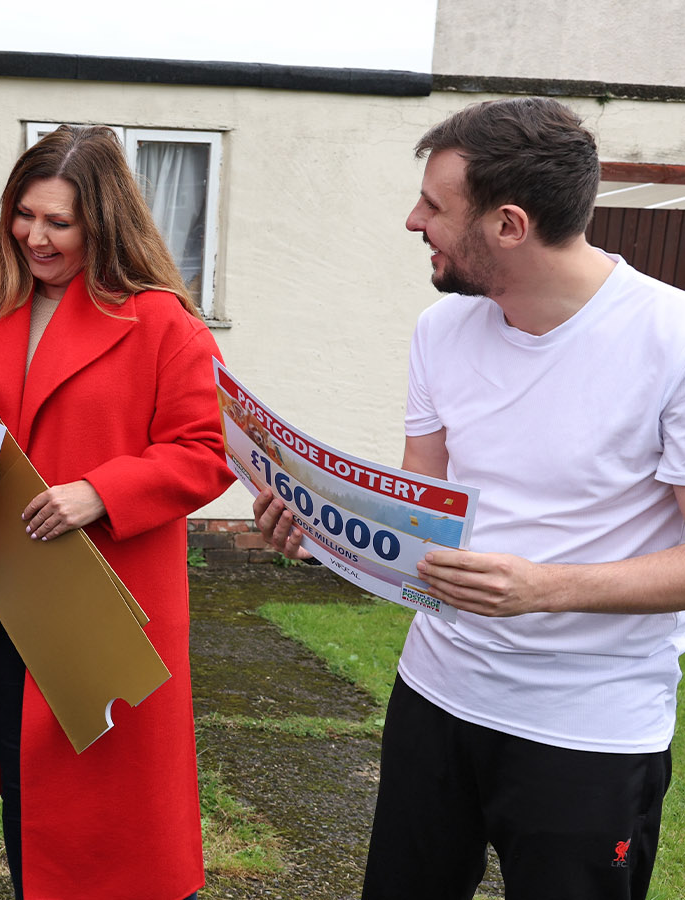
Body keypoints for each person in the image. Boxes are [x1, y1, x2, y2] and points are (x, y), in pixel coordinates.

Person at [256, 97, 685, 900]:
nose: (413, 220)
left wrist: (545, 589)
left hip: (587, 734)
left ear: (510, 225)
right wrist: (322, 528)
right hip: (435, 697)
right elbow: (425, 511)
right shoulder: (440, 332)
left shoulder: (672, 340)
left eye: (435, 206)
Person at [0, 125, 236, 900]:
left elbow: (208, 449)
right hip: (0, 588)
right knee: (26, 775)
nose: (35, 237)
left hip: (107, 589)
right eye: (24, 215)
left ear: (102, 223)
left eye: (59, 223)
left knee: (110, 799)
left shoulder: (164, 321)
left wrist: (103, 490)